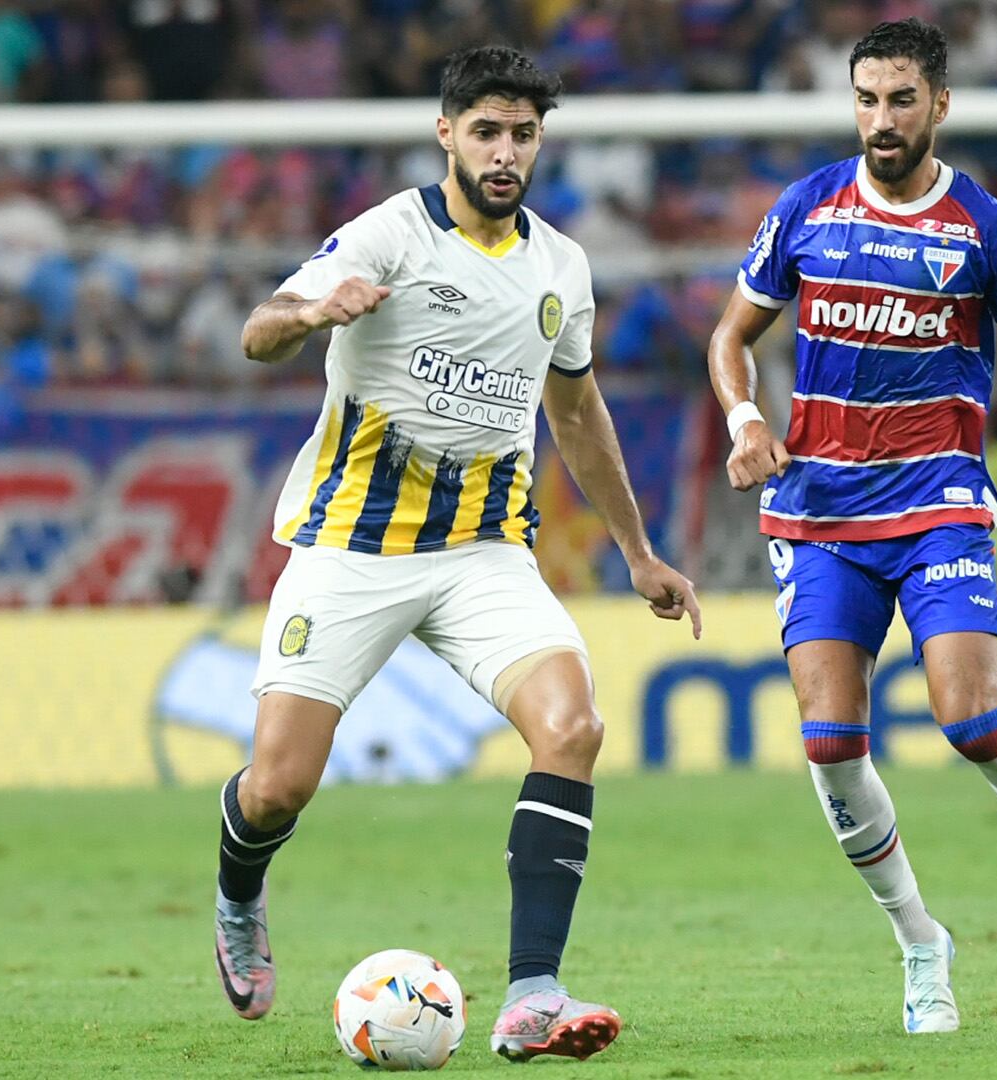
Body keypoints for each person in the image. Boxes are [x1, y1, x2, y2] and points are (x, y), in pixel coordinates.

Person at [212, 45, 701, 1064]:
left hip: (484, 552)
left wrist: (638, 550)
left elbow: (575, 410)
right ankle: (239, 890)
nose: (505, 150)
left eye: (523, 133)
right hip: (352, 548)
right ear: (447, 133)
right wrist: (311, 311)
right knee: (277, 789)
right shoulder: (390, 233)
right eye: (486, 130)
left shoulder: (560, 265)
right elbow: (259, 331)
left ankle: (533, 995)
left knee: (572, 727)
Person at [706, 18, 997, 1034]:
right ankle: (920, 945)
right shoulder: (807, 207)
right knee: (828, 743)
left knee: (971, 719)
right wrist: (745, 420)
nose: (880, 120)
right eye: (866, 100)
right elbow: (732, 334)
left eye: (901, 100)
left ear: (939, 105)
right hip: (816, 513)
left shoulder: (984, 228)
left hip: (938, 504)